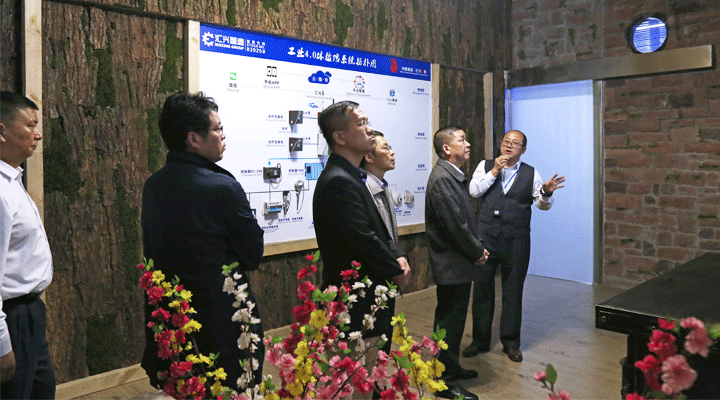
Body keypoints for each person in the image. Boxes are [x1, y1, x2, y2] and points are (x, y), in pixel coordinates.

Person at [140, 91, 265, 391]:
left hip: (174, 318)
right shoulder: (222, 186)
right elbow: (252, 254)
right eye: (218, 128)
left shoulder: (153, 184)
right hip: (222, 320)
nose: (223, 135)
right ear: (194, 139)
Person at [313, 101, 410, 365]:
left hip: (369, 295)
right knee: (358, 376)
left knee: (373, 371)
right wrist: (396, 269)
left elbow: (375, 230)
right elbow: (363, 239)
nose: (369, 130)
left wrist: (396, 256)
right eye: (361, 124)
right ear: (340, 137)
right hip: (356, 303)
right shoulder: (339, 180)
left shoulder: (352, 176)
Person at [463, 129, 565, 362]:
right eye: (506, 141)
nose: (509, 145)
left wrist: (546, 192)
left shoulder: (530, 172)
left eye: (515, 143)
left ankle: (510, 343)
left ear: (523, 150)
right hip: (486, 237)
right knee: (482, 288)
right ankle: (479, 341)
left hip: (516, 239)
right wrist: (495, 171)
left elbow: (541, 205)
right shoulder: (485, 165)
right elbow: (474, 191)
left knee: (513, 290)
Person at [425, 126, 488, 400]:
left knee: (454, 321)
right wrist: (477, 251)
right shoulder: (442, 179)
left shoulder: (452, 175)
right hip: (452, 263)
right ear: (447, 148)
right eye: (462, 139)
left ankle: (450, 367)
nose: (468, 143)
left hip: (458, 263)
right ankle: (444, 380)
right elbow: (455, 226)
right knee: (449, 322)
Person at [0, 91, 55, 399]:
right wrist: (2, 344)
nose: (38, 134)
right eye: (31, 125)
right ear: (2, 131)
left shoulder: (11, 180)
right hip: (12, 317)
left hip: (29, 312)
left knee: (40, 390)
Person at [359, 131, 399, 244]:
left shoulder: (383, 186)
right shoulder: (362, 188)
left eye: (390, 148)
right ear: (369, 157)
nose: (392, 152)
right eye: (385, 148)